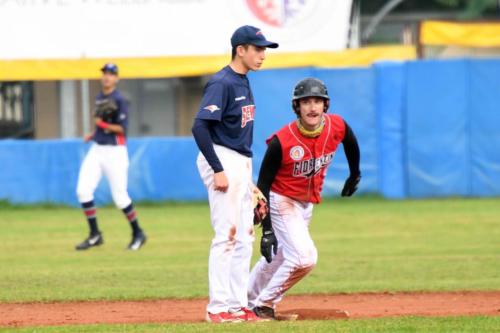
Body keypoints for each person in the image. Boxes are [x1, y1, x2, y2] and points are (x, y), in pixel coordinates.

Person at [248, 78, 361, 320]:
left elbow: (350, 141)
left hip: (305, 204)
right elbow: (263, 185)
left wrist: (354, 173)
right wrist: (266, 229)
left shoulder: (336, 126)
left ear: (325, 105)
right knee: (304, 258)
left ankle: (245, 300)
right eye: (305, 102)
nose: (312, 107)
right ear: (296, 107)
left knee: (279, 258)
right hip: (281, 200)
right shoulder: (282, 141)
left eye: (317, 101)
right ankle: (264, 304)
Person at [191, 25, 278, 323]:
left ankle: (237, 304)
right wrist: (218, 169)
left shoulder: (243, 81)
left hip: (240, 161)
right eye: (257, 48)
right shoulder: (223, 82)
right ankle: (217, 308)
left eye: (264, 49)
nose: (262, 54)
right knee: (226, 235)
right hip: (222, 159)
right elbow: (199, 127)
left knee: (244, 236)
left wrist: (248, 180)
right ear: (240, 49)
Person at [75, 63, 146, 251]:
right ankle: (94, 235)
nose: (107, 77)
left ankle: (138, 233)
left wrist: (101, 124)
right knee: (83, 190)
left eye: (111, 74)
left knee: (120, 197)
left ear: (116, 78)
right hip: (97, 148)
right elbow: (102, 124)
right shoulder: (100, 96)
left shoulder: (120, 99)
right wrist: (93, 132)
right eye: (105, 73)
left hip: (115, 152)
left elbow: (122, 129)